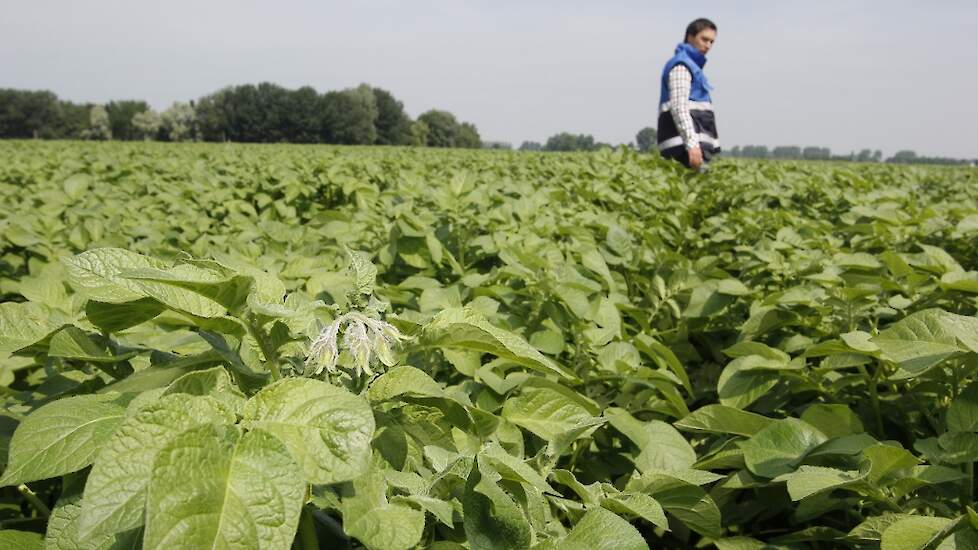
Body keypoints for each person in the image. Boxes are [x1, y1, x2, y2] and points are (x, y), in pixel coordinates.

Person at [657, 18, 720, 171]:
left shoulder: (694, 68)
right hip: (683, 151)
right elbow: (679, 107)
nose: (708, 45)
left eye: (712, 42)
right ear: (690, 37)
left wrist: (715, 148)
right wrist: (692, 145)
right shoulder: (681, 66)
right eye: (704, 39)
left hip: (691, 149)